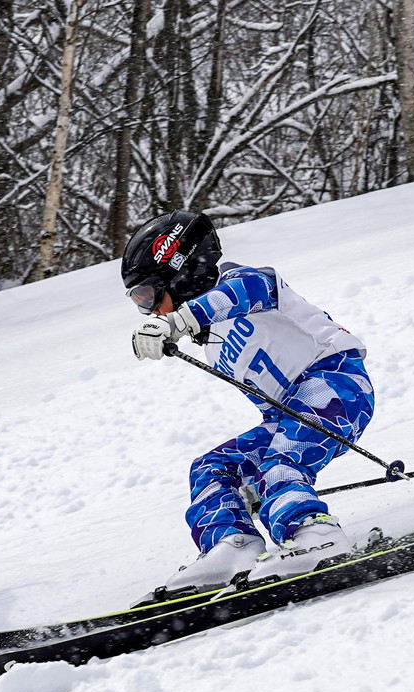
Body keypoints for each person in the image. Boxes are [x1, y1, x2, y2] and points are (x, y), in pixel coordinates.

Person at [123, 211, 375, 605]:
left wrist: (179, 321)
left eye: (150, 296)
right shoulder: (212, 340)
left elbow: (250, 290)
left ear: (181, 271)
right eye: (141, 303)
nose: (153, 310)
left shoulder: (242, 283)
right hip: (286, 414)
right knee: (213, 467)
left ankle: (316, 533)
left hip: (336, 384)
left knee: (281, 461)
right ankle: (233, 545)